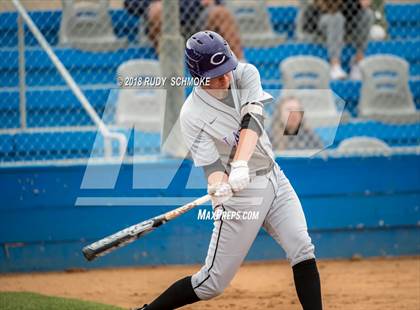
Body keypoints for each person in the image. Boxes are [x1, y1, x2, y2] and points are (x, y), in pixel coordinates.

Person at [133, 31, 322, 310]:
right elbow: (212, 168)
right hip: (241, 196)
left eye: (226, 70)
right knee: (211, 283)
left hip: (273, 177)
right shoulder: (191, 115)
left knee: (302, 248)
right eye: (216, 75)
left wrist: (240, 164)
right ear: (198, 78)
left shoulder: (245, 74)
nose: (225, 78)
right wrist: (219, 186)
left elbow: (253, 119)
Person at [124, 0, 244, 59]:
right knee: (158, 10)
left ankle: (240, 67)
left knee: (221, 13)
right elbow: (130, 3)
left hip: (196, 20)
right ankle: (169, 62)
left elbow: (217, 2)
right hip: (164, 24)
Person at [300, 0, 374, 80]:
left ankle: (358, 63)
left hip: (344, 24)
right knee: (336, 18)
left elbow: (348, 11)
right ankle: (335, 65)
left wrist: (359, 4)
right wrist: (358, 4)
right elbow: (329, 8)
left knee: (367, 14)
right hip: (318, 25)